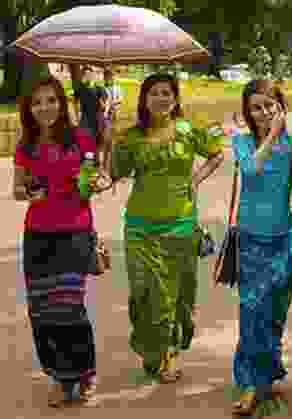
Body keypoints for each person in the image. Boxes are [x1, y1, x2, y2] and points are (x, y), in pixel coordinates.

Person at [102, 73, 227, 382]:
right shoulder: (132, 137)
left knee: (176, 296)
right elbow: (112, 174)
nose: (162, 98)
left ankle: (168, 351)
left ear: (175, 99)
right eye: (155, 93)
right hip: (140, 228)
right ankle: (155, 350)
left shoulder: (186, 131)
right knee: (146, 292)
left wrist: (194, 181)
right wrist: (108, 134)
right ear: (144, 99)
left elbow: (216, 153)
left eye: (167, 93)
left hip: (180, 226)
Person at [13, 76, 103, 407]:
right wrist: (29, 194)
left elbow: (95, 177)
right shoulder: (26, 146)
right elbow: (17, 189)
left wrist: (96, 182)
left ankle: (85, 372)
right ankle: (60, 377)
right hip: (37, 234)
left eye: (50, 100)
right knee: (42, 310)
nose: (44, 108)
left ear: (61, 103)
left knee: (69, 308)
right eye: (37, 103)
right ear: (29, 109)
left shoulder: (81, 139)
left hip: (75, 231)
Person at [228, 79, 292, 416]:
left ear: (280, 107)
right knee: (251, 310)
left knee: (274, 312)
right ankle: (247, 383)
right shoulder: (241, 142)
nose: (264, 112)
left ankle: (266, 374)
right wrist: (271, 135)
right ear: (248, 112)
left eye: (270, 105)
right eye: (256, 107)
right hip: (251, 241)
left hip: (284, 239)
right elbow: (251, 169)